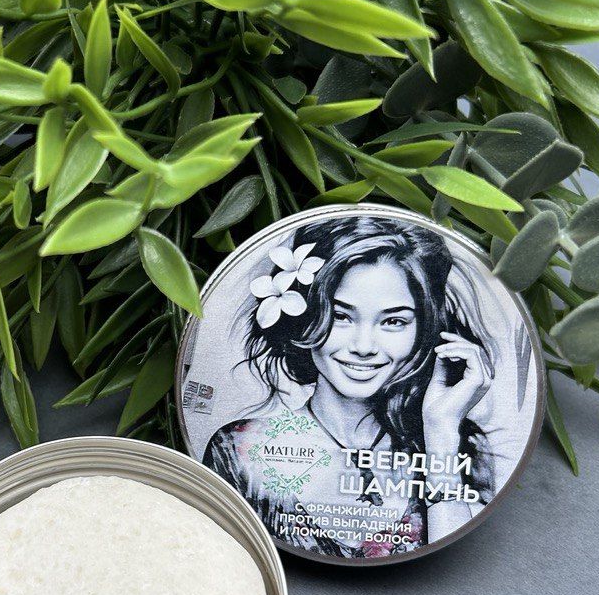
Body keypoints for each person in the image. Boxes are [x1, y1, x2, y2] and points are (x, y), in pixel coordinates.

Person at [204, 217, 497, 559]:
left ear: (423, 331)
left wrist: (441, 433)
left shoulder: (462, 445)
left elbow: (448, 563)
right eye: (341, 316)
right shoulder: (238, 450)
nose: (363, 346)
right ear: (305, 317)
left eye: (394, 321)